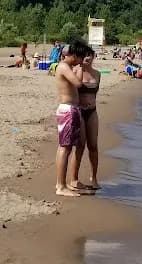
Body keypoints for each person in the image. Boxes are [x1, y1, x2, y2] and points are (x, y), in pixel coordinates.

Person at [54, 41, 88, 197]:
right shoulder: (63, 66)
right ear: (74, 55)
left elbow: (75, 84)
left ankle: (61, 183)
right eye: (80, 57)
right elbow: (78, 84)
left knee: (67, 147)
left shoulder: (67, 67)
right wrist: (79, 69)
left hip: (71, 109)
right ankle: (60, 186)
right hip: (67, 110)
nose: (82, 60)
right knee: (65, 147)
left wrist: (79, 68)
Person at [70, 49, 101, 191]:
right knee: (80, 145)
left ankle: (94, 178)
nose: (88, 58)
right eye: (85, 55)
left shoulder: (98, 74)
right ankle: (74, 178)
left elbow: (94, 94)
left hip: (92, 112)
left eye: (90, 55)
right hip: (80, 112)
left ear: (94, 57)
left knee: (93, 146)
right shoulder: (76, 72)